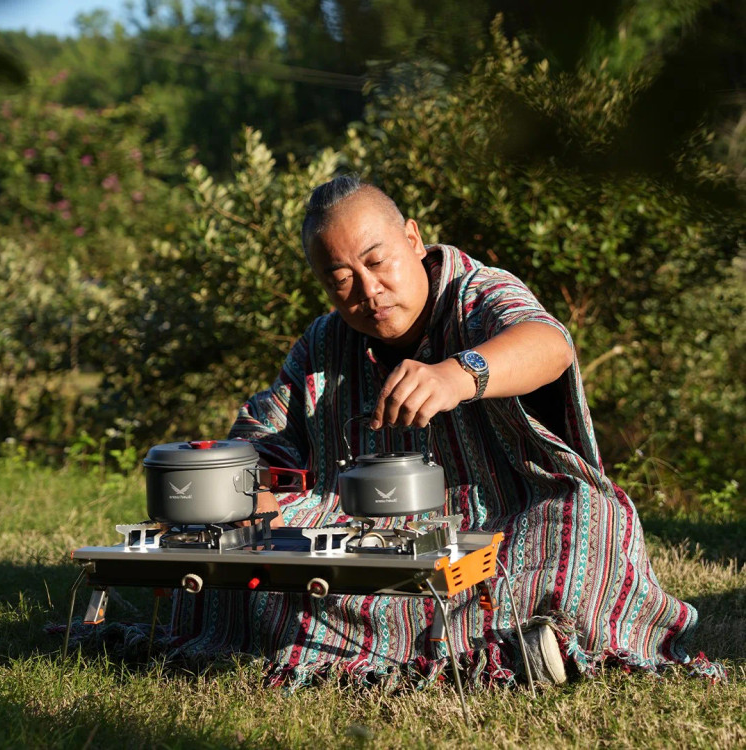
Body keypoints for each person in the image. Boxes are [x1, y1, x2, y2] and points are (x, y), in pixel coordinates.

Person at [171, 175, 719, 686]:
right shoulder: (322, 344)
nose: (368, 289)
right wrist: (259, 488)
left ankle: (510, 638)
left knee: (590, 522)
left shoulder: (479, 292)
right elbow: (262, 433)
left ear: (412, 239)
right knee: (246, 539)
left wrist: (460, 374)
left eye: (377, 261)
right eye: (341, 280)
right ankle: (509, 646)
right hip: (370, 534)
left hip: (510, 516)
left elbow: (550, 343)